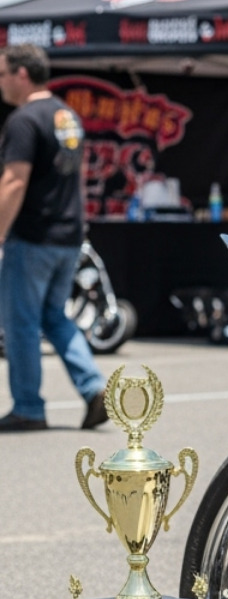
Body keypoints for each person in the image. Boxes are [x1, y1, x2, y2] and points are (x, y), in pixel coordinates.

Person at [0, 43, 105, 432]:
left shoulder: (23, 120)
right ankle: (94, 388)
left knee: (21, 322)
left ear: (22, 74)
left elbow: (14, 182)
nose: (0, 82)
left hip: (34, 236)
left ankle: (28, 407)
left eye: (2, 74)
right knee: (53, 317)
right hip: (67, 235)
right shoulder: (66, 115)